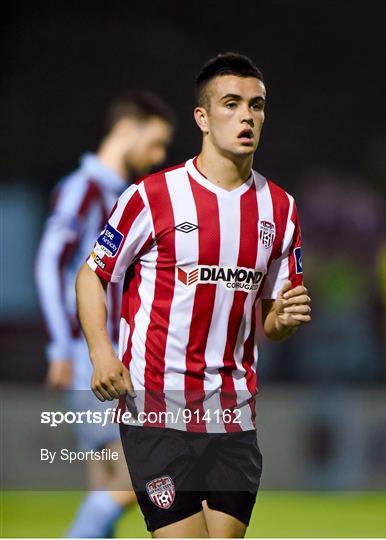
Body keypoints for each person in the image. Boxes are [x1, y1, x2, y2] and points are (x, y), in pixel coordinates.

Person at [76, 53, 311, 538]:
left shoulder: (281, 209)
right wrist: (101, 351)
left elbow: (271, 320)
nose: (248, 116)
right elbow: (92, 275)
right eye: (232, 103)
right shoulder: (152, 197)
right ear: (202, 118)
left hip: (234, 417)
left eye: (257, 105)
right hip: (157, 413)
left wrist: (283, 321)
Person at [35, 89, 174, 538]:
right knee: (147, 474)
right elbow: (48, 262)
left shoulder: (121, 195)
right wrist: (60, 346)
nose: (158, 156)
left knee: (107, 480)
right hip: (88, 357)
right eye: (155, 143)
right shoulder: (85, 189)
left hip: (107, 357)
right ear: (126, 129)